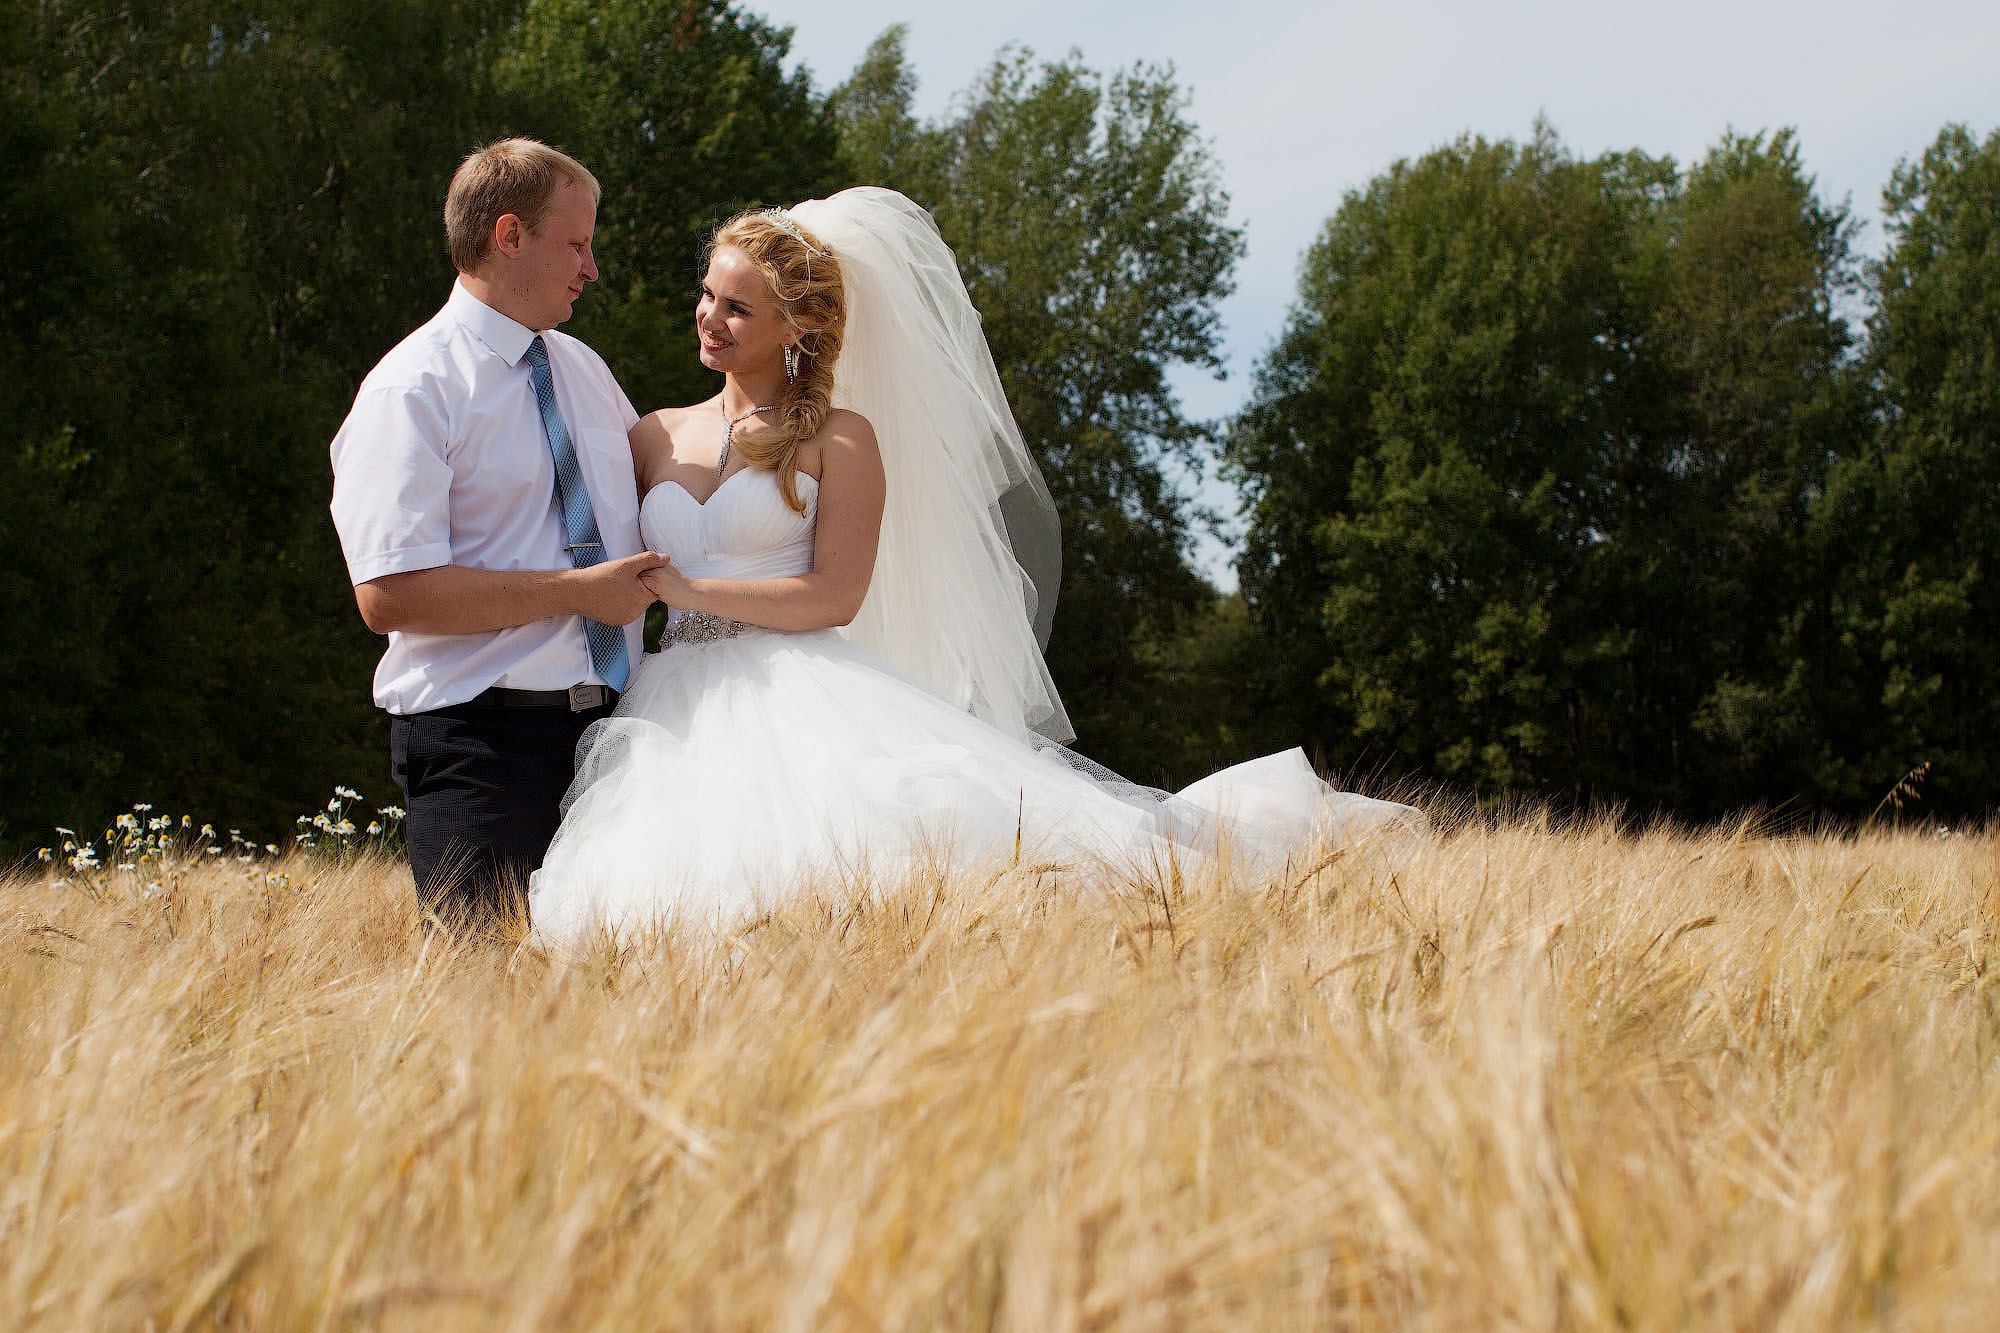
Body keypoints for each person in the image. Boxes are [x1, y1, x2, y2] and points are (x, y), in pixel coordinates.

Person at [527, 188, 1421, 943]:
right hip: (668, 701)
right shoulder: (651, 432)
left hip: (790, 686)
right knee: (647, 901)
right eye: (708, 295)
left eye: (737, 307)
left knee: (860, 876)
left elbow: (836, 594)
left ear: (796, 326)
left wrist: (688, 588)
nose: (709, 319)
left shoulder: (843, 439)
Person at [329, 138, 663, 924]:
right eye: (576, 244)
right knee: (484, 1010)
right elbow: (388, 595)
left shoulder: (583, 368)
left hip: (621, 741)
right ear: (508, 235)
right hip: (484, 752)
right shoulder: (412, 390)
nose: (592, 268)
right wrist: (577, 594)